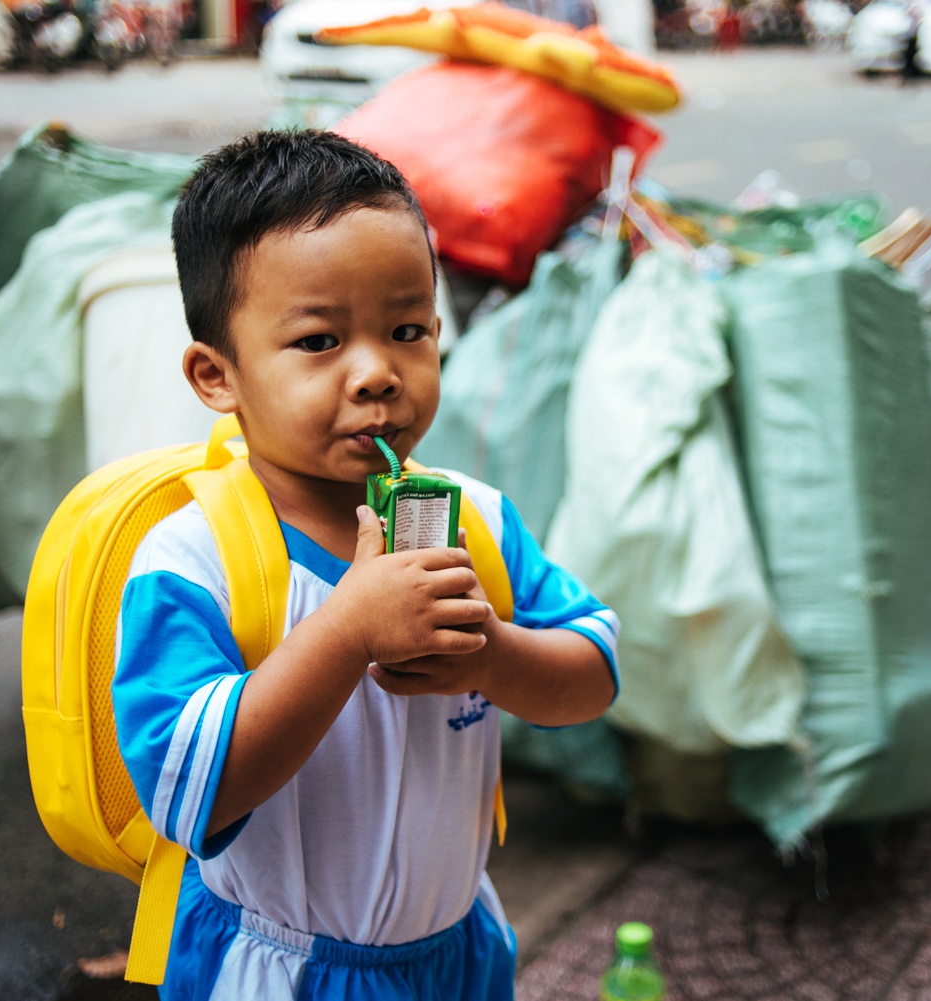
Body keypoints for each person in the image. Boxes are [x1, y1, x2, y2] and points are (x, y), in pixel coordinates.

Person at [113, 130, 621, 1001]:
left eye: (407, 329)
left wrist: (493, 654)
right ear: (216, 375)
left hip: (458, 951)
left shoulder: (476, 520)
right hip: (280, 970)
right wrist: (348, 627)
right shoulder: (193, 558)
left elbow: (594, 676)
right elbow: (192, 791)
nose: (378, 373)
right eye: (318, 341)